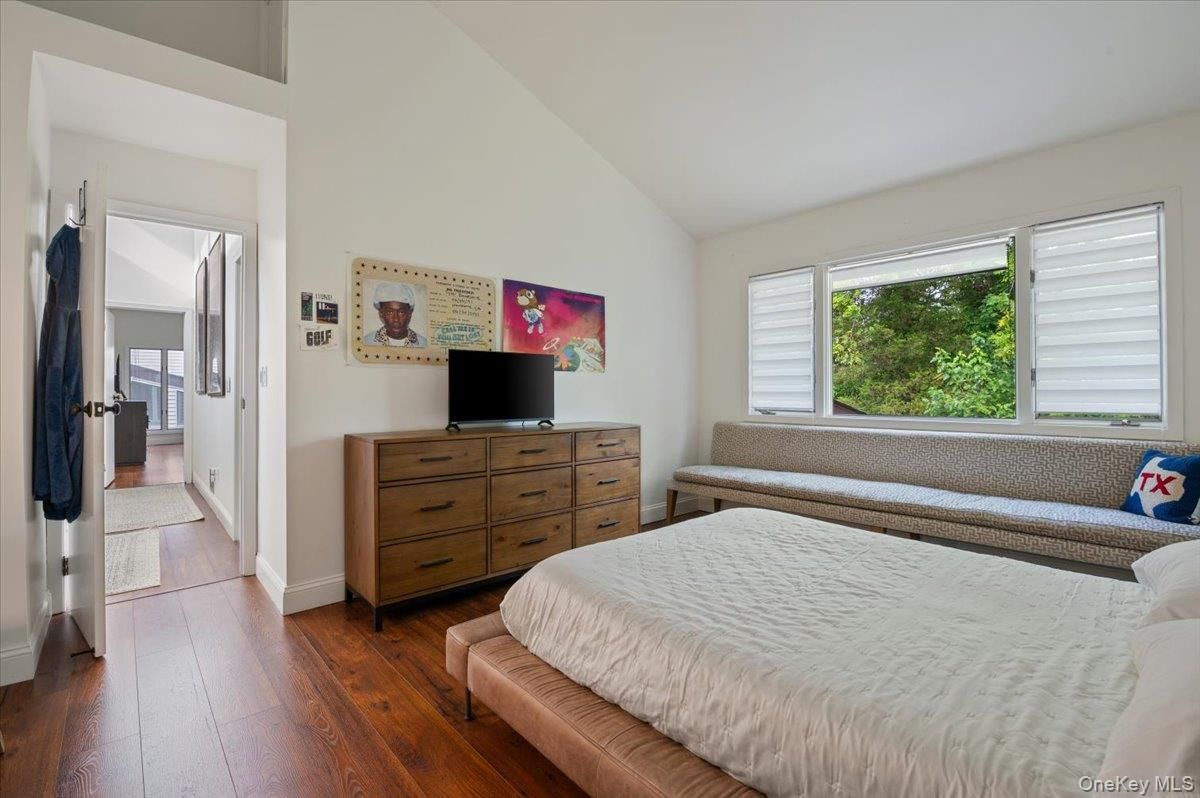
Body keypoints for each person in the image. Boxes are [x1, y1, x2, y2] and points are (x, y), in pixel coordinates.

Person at [364, 282, 427, 347]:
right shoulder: (366, 342)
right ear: (381, 314)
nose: (396, 319)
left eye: (401, 312)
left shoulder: (424, 344)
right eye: (390, 312)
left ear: (409, 314)